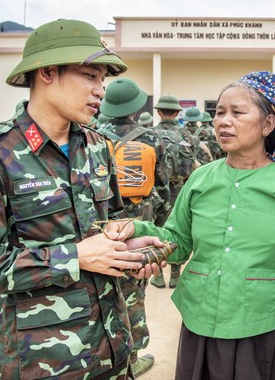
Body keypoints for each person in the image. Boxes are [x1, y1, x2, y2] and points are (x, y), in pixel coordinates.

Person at [0, 18, 159, 379]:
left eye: (102, 80)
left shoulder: (97, 147)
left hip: (115, 350)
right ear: (47, 72)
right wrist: (73, 256)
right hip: (47, 364)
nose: (101, 90)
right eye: (90, 76)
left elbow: (108, 230)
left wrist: (128, 249)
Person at [106, 70, 275, 379]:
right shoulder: (202, 178)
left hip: (265, 322)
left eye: (238, 113)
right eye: (219, 112)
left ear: (268, 124)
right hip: (201, 318)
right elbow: (178, 240)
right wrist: (141, 231)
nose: (223, 121)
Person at [98, 77, 173, 377]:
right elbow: (164, 190)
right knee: (134, 290)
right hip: (139, 220)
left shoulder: (93, 137)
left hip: (104, 223)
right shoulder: (152, 139)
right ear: (135, 107)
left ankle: (108, 356)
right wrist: (156, 225)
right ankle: (132, 358)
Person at [152, 94, 212, 288]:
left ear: (159, 112)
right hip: (182, 188)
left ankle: (159, 276)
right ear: (178, 112)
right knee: (178, 230)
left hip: (155, 191)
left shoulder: (150, 135)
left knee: (157, 230)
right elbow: (203, 161)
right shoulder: (188, 136)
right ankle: (175, 275)